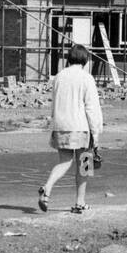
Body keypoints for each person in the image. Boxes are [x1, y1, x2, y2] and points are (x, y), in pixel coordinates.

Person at [39, 43, 103, 214]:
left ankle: (47, 187)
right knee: (84, 165)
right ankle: (80, 202)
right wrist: (96, 133)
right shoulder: (86, 78)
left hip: (61, 125)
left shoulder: (59, 76)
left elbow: (54, 103)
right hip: (81, 127)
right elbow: (92, 108)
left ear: (69, 58)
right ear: (85, 59)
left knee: (64, 161)